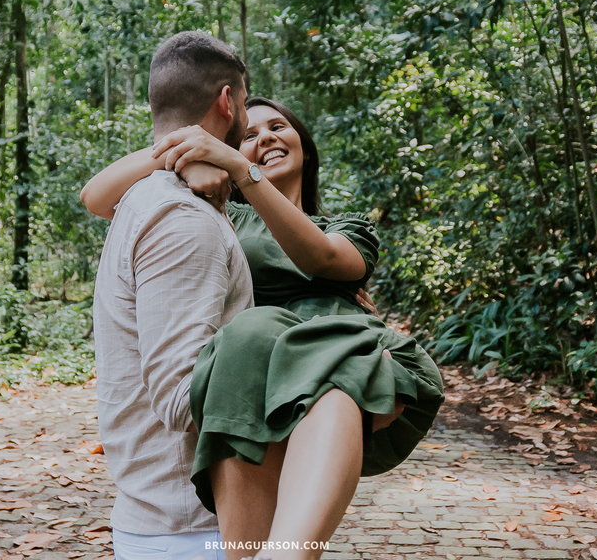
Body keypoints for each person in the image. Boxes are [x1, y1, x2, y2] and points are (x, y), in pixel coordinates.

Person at [82, 93, 445, 560]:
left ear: (305, 147)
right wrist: (190, 151)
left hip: (348, 356)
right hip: (255, 368)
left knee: (334, 386)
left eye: (279, 127)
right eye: (249, 134)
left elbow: (324, 257)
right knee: (258, 366)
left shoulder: (345, 227)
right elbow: (96, 196)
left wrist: (238, 166)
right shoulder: (219, 212)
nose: (265, 138)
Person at [91, 31, 254, 560]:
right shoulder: (182, 220)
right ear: (227, 102)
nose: (249, 121)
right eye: (248, 103)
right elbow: (181, 398)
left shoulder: (151, 198)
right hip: (191, 530)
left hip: (174, 523)